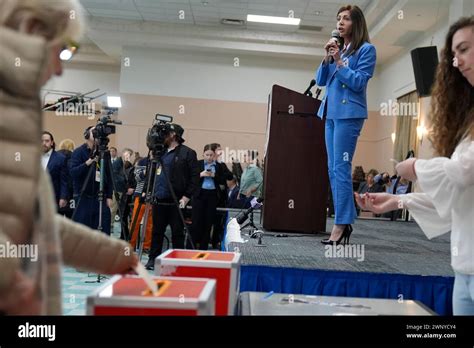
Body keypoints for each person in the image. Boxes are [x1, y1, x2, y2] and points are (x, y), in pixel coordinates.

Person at [0, 0, 137, 315]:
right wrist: (10, 278)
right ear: (31, 30)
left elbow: (42, 227)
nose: (61, 68)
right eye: (63, 51)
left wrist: (114, 254)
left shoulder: (20, 112)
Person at [355, 16, 474, 315]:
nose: (458, 61)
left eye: (465, 49)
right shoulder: (468, 119)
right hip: (465, 268)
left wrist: (416, 167)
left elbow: (462, 171)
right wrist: (398, 200)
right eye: (455, 53)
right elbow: (460, 197)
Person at [316, 4, 376, 245]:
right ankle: (344, 221)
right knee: (332, 169)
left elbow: (359, 82)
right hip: (330, 113)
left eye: (346, 19)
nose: (340, 23)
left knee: (341, 168)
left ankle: (341, 224)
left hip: (349, 114)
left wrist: (340, 61)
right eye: (338, 18)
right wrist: (327, 57)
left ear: (356, 23)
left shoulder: (366, 50)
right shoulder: (338, 48)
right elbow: (320, 81)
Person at [145, 124, 199, 270]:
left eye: (166, 133)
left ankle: (177, 261)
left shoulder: (188, 153)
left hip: (177, 200)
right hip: (159, 199)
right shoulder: (159, 152)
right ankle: (153, 259)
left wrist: (187, 196)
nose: (162, 136)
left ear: (173, 135)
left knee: (177, 233)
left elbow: (195, 177)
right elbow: (152, 173)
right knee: (157, 232)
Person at [192, 144, 231, 250]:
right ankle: (192, 245)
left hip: (212, 195)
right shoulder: (198, 164)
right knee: (196, 222)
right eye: (207, 155)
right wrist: (201, 174)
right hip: (199, 195)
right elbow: (191, 178)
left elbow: (224, 180)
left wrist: (214, 176)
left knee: (208, 222)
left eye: (211, 155)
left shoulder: (218, 166)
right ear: (203, 154)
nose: (209, 157)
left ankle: (204, 247)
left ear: (214, 155)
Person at [209, 143, 233, 249]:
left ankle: (215, 241)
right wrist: (220, 178)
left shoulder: (221, 164)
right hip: (211, 196)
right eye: (219, 150)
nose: (221, 152)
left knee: (218, 222)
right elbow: (214, 178)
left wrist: (219, 178)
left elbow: (230, 176)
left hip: (221, 198)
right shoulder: (209, 164)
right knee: (209, 221)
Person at [41, 131, 69, 211]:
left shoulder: (61, 158)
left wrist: (63, 197)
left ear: (52, 143)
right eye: (41, 141)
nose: (44, 143)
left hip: (53, 197)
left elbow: (64, 180)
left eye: (47, 141)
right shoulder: (33, 157)